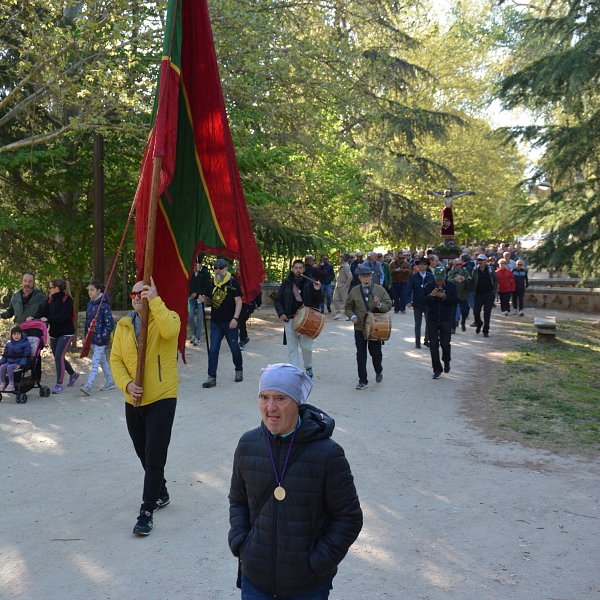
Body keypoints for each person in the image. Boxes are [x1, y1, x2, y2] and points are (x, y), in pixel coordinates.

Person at [228, 363, 363, 599]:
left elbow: (348, 517)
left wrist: (318, 563)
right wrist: (241, 543)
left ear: (297, 402)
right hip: (255, 580)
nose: (271, 407)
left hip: (307, 586)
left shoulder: (327, 454)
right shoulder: (247, 444)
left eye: (280, 398)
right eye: (264, 397)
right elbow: (238, 500)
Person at [110, 277, 180, 536]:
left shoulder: (168, 317)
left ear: (152, 294)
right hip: (134, 400)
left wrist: (156, 301)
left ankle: (146, 511)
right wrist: (127, 384)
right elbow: (115, 360)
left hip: (162, 397)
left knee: (154, 455)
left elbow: (171, 332)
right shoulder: (124, 326)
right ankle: (160, 491)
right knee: (143, 453)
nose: (139, 297)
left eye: (144, 292)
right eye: (135, 294)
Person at [345, 265, 392, 390]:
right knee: (361, 354)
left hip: (375, 328)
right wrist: (352, 316)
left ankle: (378, 369)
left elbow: (388, 306)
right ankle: (362, 380)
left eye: (368, 276)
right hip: (360, 327)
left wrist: (379, 304)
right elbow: (348, 307)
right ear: (359, 278)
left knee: (375, 353)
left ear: (371, 277)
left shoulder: (379, 290)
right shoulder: (354, 291)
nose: (366, 279)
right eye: (363, 276)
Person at [28, 278, 79, 394]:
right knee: (58, 357)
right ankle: (73, 374)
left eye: (50, 287)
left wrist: (49, 319)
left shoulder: (67, 300)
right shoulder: (50, 300)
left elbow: (64, 316)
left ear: (56, 288)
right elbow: (43, 312)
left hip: (66, 332)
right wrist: (34, 317)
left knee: (58, 357)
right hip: (54, 333)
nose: (49, 289)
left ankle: (59, 384)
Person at [274, 260, 323, 378]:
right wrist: (281, 313)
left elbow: (319, 300)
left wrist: (317, 290)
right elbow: (277, 300)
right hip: (289, 319)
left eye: (300, 268)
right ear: (292, 269)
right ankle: (295, 372)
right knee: (292, 348)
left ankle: (308, 366)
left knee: (306, 347)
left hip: (307, 320)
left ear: (304, 269)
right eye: (296, 268)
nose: (298, 270)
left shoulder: (310, 282)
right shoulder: (286, 282)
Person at [200, 258, 243, 387]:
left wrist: (235, 319)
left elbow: (239, 302)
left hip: (230, 322)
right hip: (216, 322)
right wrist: (204, 299)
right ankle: (211, 377)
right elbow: (210, 300)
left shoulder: (232, 282)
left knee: (234, 349)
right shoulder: (212, 282)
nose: (218, 270)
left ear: (226, 268)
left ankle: (238, 370)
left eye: (221, 267)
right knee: (213, 350)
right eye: (216, 268)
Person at [421, 267, 458, 379]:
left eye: (441, 280)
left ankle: (446, 361)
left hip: (446, 319)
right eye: (437, 280)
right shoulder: (428, 286)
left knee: (445, 344)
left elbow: (455, 301)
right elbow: (422, 302)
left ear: (444, 278)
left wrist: (445, 297)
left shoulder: (451, 286)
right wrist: (431, 296)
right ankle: (437, 369)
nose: (439, 282)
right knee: (433, 345)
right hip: (432, 319)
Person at [81, 281, 115, 395]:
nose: (89, 292)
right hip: (92, 338)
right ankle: (110, 381)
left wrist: (103, 335)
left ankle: (88, 385)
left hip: (100, 339)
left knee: (95, 362)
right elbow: (87, 321)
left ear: (98, 291)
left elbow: (109, 323)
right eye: (88, 290)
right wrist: (86, 336)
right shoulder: (89, 304)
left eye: (92, 290)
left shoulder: (104, 305)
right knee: (102, 360)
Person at [406, 258, 434, 348]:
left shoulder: (431, 276)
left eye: (424, 264)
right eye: (420, 264)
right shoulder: (413, 277)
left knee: (429, 322)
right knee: (418, 323)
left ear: (427, 265)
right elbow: (408, 290)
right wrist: (408, 301)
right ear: (418, 265)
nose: (422, 265)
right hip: (417, 303)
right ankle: (417, 342)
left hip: (428, 303)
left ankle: (427, 340)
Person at [472, 254, 498, 338]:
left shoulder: (490, 269)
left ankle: (486, 330)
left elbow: (495, 280)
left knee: (487, 313)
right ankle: (479, 323)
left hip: (488, 293)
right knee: (476, 312)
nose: (480, 262)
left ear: (485, 261)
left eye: (481, 260)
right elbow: (472, 281)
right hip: (478, 294)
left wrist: (493, 291)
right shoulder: (475, 270)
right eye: (478, 260)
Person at [0, 325, 31, 392]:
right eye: (14, 334)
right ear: (11, 335)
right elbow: (5, 354)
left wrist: (21, 364)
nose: (16, 336)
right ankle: (2, 383)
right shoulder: (9, 343)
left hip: (18, 362)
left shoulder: (25, 343)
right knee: (2, 367)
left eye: (18, 334)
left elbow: (26, 355)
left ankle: (11, 384)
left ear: (21, 334)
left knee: (9, 367)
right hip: (9, 361)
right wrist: (2, 362)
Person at [188, 259, 211, 346]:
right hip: (192, 299)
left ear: (200, 264)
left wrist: (197, 293)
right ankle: (196, 334)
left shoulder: (205, 273)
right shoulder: (191, 273)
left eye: (196, 264)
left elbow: (207, 287)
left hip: (201, 299)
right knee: (190, 318)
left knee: (199, 319)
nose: (194, 266)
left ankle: (197, 338)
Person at [447, 258, 471, 332]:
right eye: (457, 264)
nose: (459, 266)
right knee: (453, 312)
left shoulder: (465, 271)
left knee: (465, 311)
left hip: (463, 295)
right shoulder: (451, 272)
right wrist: (454, 280)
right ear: (454, 265)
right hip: (454, 295)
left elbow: (470, 283)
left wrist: (465, 280)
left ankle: (463, 322)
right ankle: (452, 327)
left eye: (460, 264)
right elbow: (448, 282)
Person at [332, 253, 352, 320]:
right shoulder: (342, 265)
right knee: (335, 299)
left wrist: (346, 285)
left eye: (341, 257)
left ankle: (348, 314)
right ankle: (338, 312)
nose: (340, 258)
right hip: (338, 285)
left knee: (345, 301)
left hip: (343, 285)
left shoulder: (346, 266)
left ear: (343, 258)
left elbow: (350, 277)